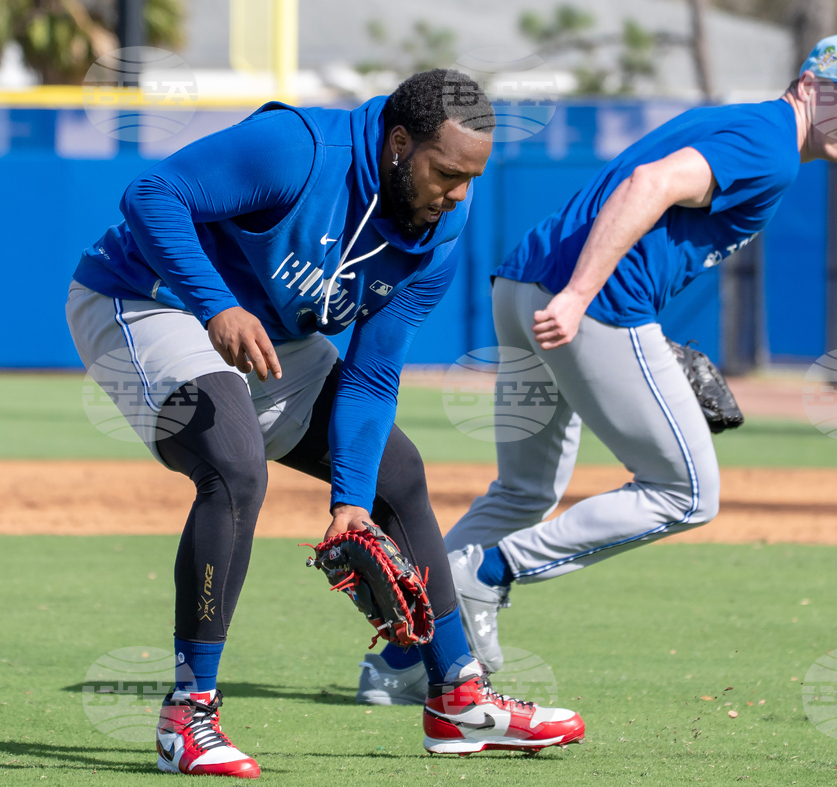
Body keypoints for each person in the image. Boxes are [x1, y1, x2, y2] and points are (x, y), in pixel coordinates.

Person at [66, 69, 584, 778]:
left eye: (471, 177)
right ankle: (187, 717)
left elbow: (372, 377)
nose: (459, 193)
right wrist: (217, 305)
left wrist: (350, 503)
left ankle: (457, 695)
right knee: (233, 466)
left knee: (395, 476)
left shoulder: (439, 229)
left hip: (267, 333)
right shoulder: (299, 149)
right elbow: (151, 195)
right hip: (144, 299)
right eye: (446, 172)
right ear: (399, 144)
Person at [368, 34, 837, 693]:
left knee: (523, 491)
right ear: (811, 84)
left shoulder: (737, 123)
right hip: (584, 302)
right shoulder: (771, 143)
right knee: (687, 491)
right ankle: (487, 576)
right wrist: (577, 297)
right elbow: (649, 184)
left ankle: (402, 660)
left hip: (520, 288)